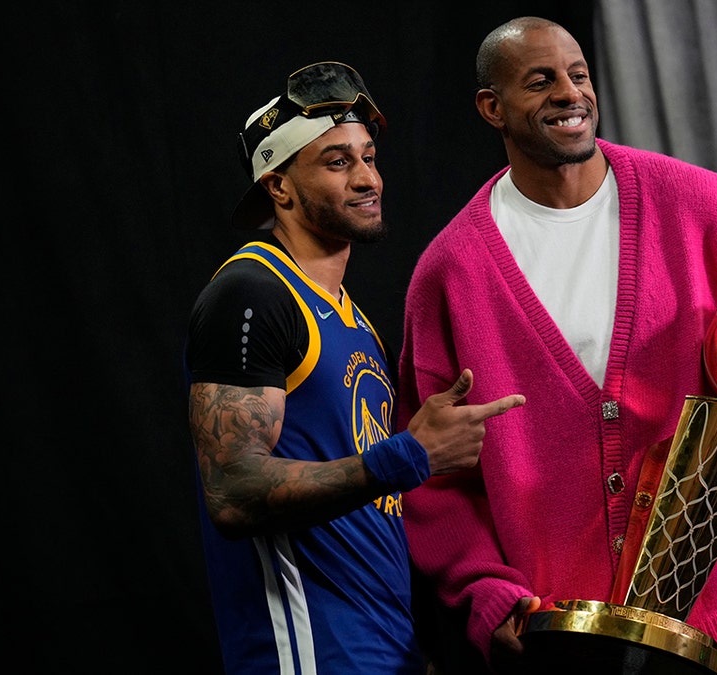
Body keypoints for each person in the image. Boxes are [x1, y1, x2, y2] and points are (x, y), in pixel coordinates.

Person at [396, 17, 717, 675]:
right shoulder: (451, 272)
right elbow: (435, 479)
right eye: (541, 81)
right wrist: (488, 594)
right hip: (575, 640)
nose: (570, 93)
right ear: (492, 108)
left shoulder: (704, 207)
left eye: (579, 75)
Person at [185, 61, 525, 675]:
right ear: (279, 187)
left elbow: (373, 506)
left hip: (382, 649)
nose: (369, 178)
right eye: (338, 163)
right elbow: (232, 493)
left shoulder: (353, 321)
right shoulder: (251, 293)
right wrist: (411, 455)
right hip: (308, 655)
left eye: (369, 157)